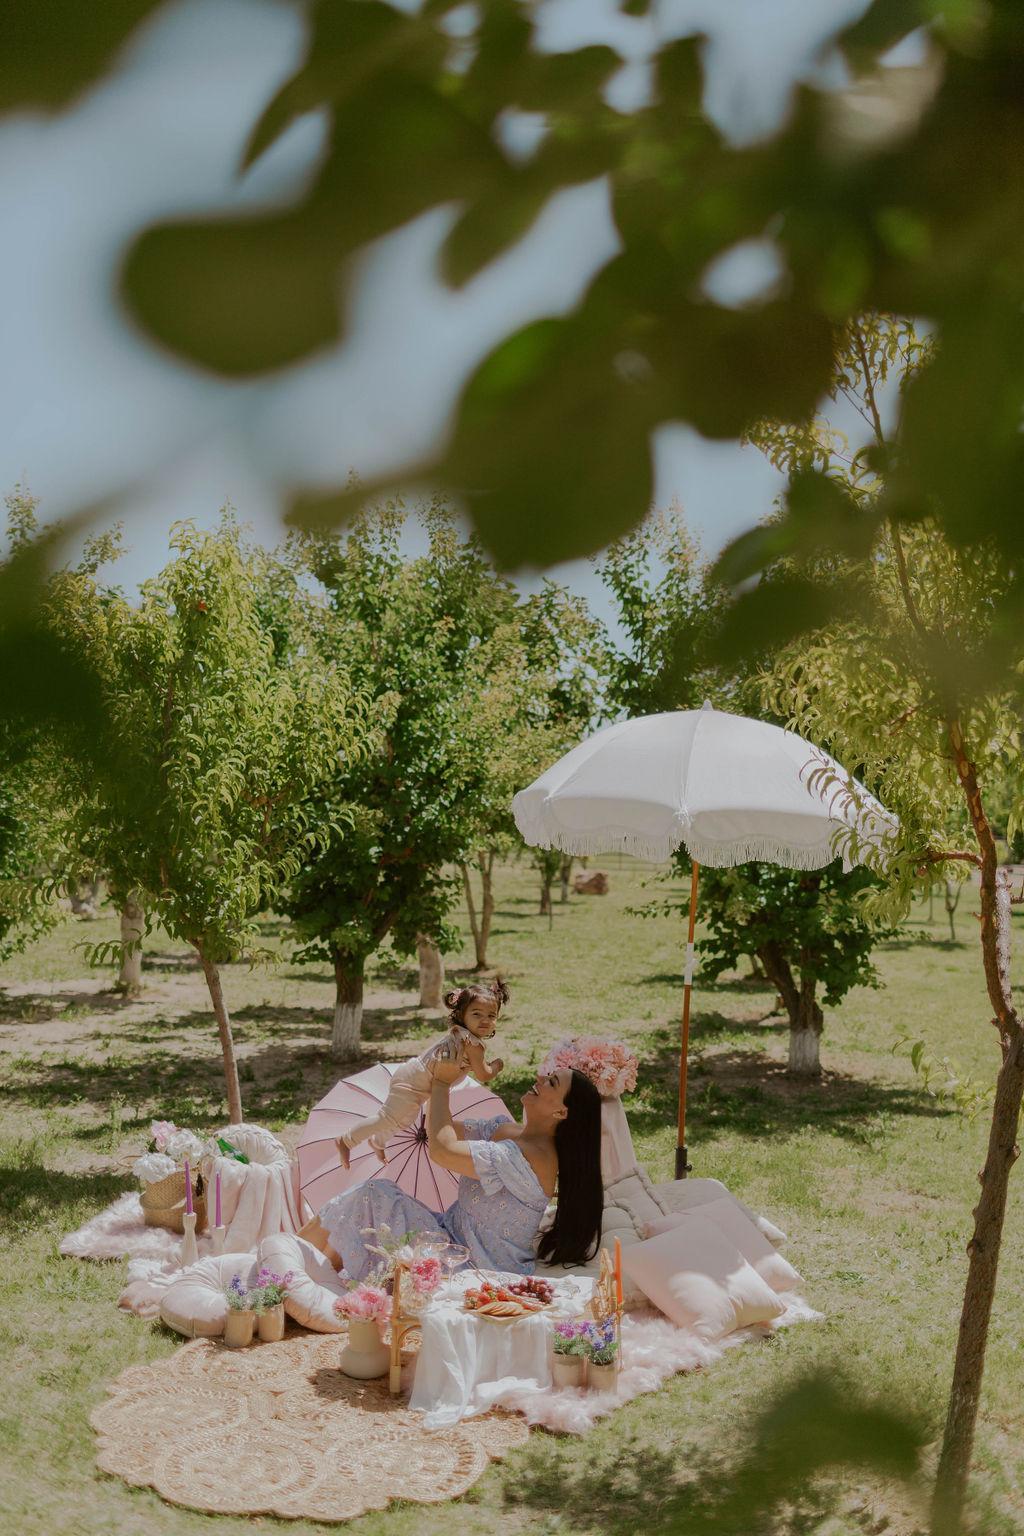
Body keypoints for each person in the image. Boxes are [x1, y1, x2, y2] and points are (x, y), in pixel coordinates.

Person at [299, 1060, 604, 1279]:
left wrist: (442, 1084)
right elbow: (440, 1129)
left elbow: (442, 1150)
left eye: (551, 1082)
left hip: (472, 1264)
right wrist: (389, 1120)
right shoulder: (508, 1131)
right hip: (449, 1234)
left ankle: (293, 1268)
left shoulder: (535, 1156)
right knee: (372, 1198)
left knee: (371, 1195)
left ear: (561, 1111)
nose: (540, 1077)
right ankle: (303, 1268)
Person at [336, 980, 508, 1170]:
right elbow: (484, 1074)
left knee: (403, 1120)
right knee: (388, 1118)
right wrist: (496, 1065)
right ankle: (346, 1140)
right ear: (461, 1015)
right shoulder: (473, 1045)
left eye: (491, 1015)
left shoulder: (461, 1033)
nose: (485, 1020)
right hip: (414, 1082)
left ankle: (377, 1142)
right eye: (477, 1014)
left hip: (415, 1077)